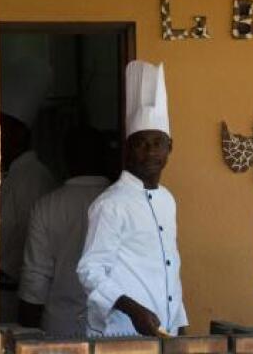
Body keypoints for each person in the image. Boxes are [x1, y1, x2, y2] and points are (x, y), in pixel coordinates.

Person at [77, 60, 188, 336]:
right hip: (121, 333)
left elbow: (169, 266)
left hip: (164, 334)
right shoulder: (111, 204)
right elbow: (90, 270)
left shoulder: (167, 200)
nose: (150, 152)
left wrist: (180, 324)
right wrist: (132, 309)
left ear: (169, 147)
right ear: (128, 149)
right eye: (140, 143)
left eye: (157, 143)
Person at [18, 127, 110, 335]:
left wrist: (27, 335)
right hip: (114, 330)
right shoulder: (122, 203)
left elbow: (35, 278)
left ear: (66, 159)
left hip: (60, 330)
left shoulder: (47, 206)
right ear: (105, 157)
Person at [0, 57, 56, 323]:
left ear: (20, 134)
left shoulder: (35, 178)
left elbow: (32, 250)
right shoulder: (10, 175)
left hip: (15, 298)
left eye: (1, 128)